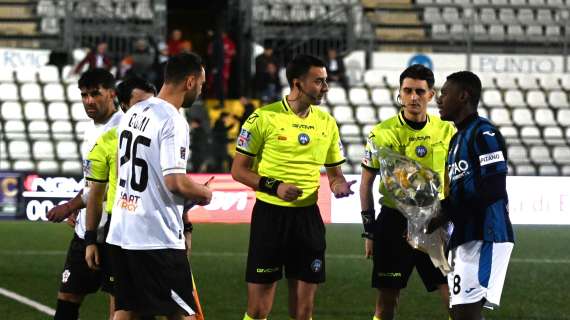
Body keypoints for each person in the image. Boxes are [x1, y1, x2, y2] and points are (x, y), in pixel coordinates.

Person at [232, 54, 356, 320]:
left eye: (325, 81)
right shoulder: (262, 118)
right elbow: (238, 170)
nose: (325, 87)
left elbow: (335, 175)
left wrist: (339, 185)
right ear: (297, 83)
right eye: (319, 81)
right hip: (270, 217)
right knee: (257, 310)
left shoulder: (327, 123)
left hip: (308, 219)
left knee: (303, 312)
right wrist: (274, 187)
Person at [106, 52, 212, 320]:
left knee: (128, 310)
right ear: (189, 82)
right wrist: (203, 193)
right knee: (185, 313)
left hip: (121, 229)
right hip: (154, 236)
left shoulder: (135, 111)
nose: (201, 89)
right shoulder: (173, 120)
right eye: (201, 84)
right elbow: (174, 181)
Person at [360, 64, 456, 320]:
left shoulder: (447, 131)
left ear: (431, 95)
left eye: (420, 92)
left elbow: (453, 179)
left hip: (434, 221)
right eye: (408, 90)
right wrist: (369, 231)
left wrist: (449, 217)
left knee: (454, 299)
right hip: (393, 222)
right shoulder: (381, 133)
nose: (414, 97)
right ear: (399, 94)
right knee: (386, 303)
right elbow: (366, 184)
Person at [429, 71, 514, 320]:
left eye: (445, 93)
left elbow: (494, 187)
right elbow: (460, 194)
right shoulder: (456, 140)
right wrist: (432, 216)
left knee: (467, 313)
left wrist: (448, 212)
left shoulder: (484, 133)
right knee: (460, 313)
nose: (439, 99)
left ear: (463, 96)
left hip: (487, 233)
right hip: (466, 234)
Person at [46, 68, 122, 320]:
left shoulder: (122, 130)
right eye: (84, 95)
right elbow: (93, 182)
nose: (89, 101)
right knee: (67, 299)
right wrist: (79, 208)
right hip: (87, 230)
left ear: (111, 93)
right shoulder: (92, 128)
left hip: (115, 233)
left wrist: (69, 206)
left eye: (95, 94)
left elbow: (105, 188)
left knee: (121, 309)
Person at [83, 76, 155, 320]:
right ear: (124, 105)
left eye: (152, 103)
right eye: (141, 104)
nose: (148, 110)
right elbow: (95, 193)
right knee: (123, 303)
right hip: (121, 225)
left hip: (155, 226)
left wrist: (185, 227)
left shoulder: (163, 135)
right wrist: (90, 238)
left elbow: (170, 188)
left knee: (157, 304)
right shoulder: (108, 139)